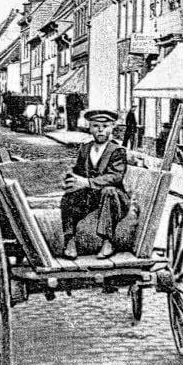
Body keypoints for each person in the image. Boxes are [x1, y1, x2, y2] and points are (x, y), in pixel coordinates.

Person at [60, 109, 130, 259]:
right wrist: (70, 177)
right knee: (69, 196)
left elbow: (115, 176)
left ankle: (108, 241)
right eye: (96, 126)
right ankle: (70, 240)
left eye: (104, 126)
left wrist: (87, 182)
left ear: (112, 128)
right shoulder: (85, 149)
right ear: (90, 128)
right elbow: (78, 170)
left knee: (109, 191)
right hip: (92, 197)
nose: (100, 130)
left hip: (115, 199)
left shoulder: (117, 151)